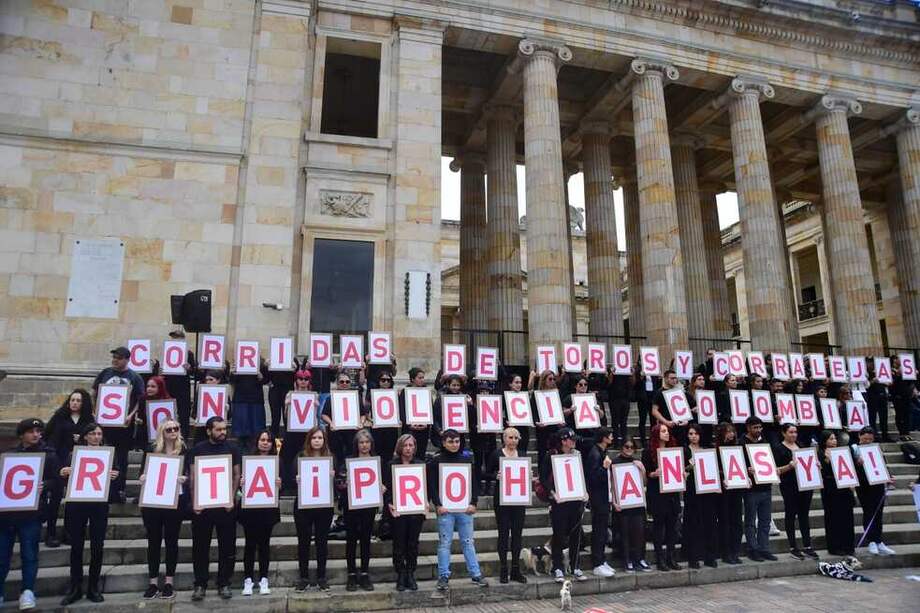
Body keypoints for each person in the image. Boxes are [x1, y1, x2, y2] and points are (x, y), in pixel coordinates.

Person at [0, 418, 59, 611]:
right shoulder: (9, 455)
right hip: (7, 515)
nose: (36, 435)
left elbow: (56, 480)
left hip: (31, 514)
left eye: (38, 431)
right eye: (31, 431)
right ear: (22, 434)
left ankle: (27, 591)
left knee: (29, 554)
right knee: (2, 556)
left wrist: (46, 485)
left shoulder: (48, 455)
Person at [60, 423, 118, 605]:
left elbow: (116, 481)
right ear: (85, 436)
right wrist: (64, 472)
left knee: (97, 546)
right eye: (92, 433)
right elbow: (65, 481)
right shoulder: (73, 454)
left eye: (99, 434)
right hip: (77, 504)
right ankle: (75, 586)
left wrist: (115, 476)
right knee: (76, 546)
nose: (96, 437)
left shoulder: (109, 455)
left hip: (99, 505)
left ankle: (93, 586)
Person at [188, 416, 241, 601]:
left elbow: (236, 475)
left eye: (224, 429)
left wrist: (232, 499)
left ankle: (224, 582)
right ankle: (200, 584)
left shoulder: (232, 448)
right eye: (218, 429)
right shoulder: (197, 449)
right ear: (209, 430)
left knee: (227, 546)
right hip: (203, 507)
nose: (223, 433)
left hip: (225, 506)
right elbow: (193, 477)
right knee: (200, 547)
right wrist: (195, 501)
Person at [429, 429, 488, 591]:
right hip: (445, 509)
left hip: (464, 508)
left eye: (456, 441)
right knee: (444, 543)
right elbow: (432, 485)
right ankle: (443, 575)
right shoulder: (436, 460)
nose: (454, 444)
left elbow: (474, 482)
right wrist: (438, 504)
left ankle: (475, 573)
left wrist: (474, 502)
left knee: (468, 542)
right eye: (450, 441)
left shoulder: (467, 459)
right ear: (443, 442)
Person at [139, 418, 189, 599]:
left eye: (176, 428)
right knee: (153, 541)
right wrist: (143, 477)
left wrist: (185, 479)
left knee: (171, 540)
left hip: (175, 500)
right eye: (169, 429)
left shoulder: (184, 450)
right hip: (153, 501)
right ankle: (152, 582)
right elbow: (141, 473)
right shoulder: (151, 450)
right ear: (162, 432)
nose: (173, 431)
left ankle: (169, 581)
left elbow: (189, 473)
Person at [92, 346, 145, 503]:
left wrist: (131, 415)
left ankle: (119, 490)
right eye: (114, 357)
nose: (114, 360)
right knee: (103, 454)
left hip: (124, 427)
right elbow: (94, 393)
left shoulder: (135, 377)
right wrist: (95, 411)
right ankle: (101, 488)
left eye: (118, 357)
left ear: (127, 360)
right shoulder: (105, 373)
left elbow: (139, 400)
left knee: (121, 458)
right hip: (104, 425)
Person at [43, 389, 94, 548]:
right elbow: (47, 435)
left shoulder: (87, 419)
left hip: (78, 463)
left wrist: (81, 439)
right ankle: (50, 533)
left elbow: (95, 436)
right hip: (57, 461)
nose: (75, 403)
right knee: (56, 498)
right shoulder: (59, 416)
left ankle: (68, 532)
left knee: (72, 501)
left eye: (78, 401)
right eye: (72, 400)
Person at [539, 427, 587, 582]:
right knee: (559, 534)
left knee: (576, 534)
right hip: (559, 501)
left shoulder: (577, 454)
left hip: (575, 499)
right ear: (563, 441)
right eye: (571, 439)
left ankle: (575, 566)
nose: (573, 442)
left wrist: (584, 492)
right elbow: (544, 478)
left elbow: (581, 475)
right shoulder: (551, 455)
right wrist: (553, 494)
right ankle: (558, 567)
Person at [238, 429, 281, 596]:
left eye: (268, 440)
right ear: (257, 441)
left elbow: (282, 487)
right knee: (249, 545)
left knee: (264, 545)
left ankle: (264, 578)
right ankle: (248, 579)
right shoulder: (248, 460)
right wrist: (241, 483)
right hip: (250, 510)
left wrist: (279, 484)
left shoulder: (277, 461)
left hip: (268, 510)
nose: (265, 443)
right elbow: (240, 487)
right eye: (262, 439)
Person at [293, 426, 335, 592]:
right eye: (314, 438)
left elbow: (339, 482)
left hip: (324, 506)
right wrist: (296, 479)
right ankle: (303, 577)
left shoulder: (331, 458)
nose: (317, 440)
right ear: (309, 440)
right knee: (303, 541)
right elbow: (290, 478)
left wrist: (333, 477)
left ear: (324, 440)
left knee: (321, 541)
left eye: (320, 438)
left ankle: (321, 576)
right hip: (304, 506)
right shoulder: (301, 457)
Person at [486, 427, 528, 584]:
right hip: (502, 500)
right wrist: (495, 475)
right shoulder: (496, 454)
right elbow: (485, 472)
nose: (513, 441)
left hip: (519, 499)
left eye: (516, 438)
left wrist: (528, 476)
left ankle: (516, 569)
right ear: (504, 439)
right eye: (510, 438)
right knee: (503, 534)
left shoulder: (523, 455)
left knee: (517, 534)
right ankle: (504, 568)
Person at [384, 433, 426, 591]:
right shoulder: (391, 465)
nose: (408, 448)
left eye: (411, 445)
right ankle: (401, 573)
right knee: (399, 544)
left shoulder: (421, 464)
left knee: (413, 544)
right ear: (400, 447)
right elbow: (387, 489)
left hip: (415, 511)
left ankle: (410, 572)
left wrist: (426, 504)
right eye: (405, 445)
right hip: (398, 512)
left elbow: (424, 488)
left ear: (415, 447)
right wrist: (389, 504)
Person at [772, 423, 817, 560]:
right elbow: (776, 470)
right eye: (791, 432)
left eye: (795, 432)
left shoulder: (801, 445)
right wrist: (789, 466)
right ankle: (793, 547)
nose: (794, 434)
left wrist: (816, 464)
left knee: (804, 515)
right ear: (784, 433)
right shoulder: (778, 448)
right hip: (789, 485)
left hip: (804, 485)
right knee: (790, 514)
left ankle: (807, 545)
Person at [340, 429, 378, 591]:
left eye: (367, 442)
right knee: (351, 539)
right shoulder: (349, 460)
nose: (364, 445)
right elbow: (339, 482)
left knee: (365, 540)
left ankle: (364, 573)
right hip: (351, 507)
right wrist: (343, 484)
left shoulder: (376, 461)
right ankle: (351, 574)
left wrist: (382, 487)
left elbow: (382, 482)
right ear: (356, 444)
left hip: (369, 507)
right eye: (361, 442)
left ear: (371, 444)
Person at [642, 423, 682, 572]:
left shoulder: (673, 449)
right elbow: (646, 474)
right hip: (657, 493)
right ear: (656, 433)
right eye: (663, 431)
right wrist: (653, 474)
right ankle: (660, 559)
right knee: (659, 527)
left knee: (673, 526)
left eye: (667, 431)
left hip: (672, 492)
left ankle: (671, 557)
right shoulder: (648, 452)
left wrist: (681, 474)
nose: (666, 433)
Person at [853, 427, 895, 556]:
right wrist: (857, 463)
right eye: (865, 439)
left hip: (877, 483)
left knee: (878, 512)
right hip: (864, 485)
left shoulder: (876, 448)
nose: (867, 441)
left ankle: (878, 540)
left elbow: (883, 464)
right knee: (869, 511)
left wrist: (888, 476)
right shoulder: (853, 449)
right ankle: (871, 540)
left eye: (870, 439)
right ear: (859, 436)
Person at [611, 437, 651, 572]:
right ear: (622, 447)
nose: (629, 449)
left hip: (637, 502)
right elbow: (611, 484)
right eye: (626, 447)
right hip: (623, 503)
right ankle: (627, 560)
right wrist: (614, 501)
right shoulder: (614, 462)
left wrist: (643, 470)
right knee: (625, 533)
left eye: (632, 447)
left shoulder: (637, 462)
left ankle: (639, 558)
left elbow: (644, 482)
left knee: (639, 532)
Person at [683, 423, 719, 568]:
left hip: (707, 491)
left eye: (695, 434)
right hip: (692, 492)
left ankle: (710, 556)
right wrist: (688, 467)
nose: (693, 436)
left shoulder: (707, 449)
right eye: (691, 434)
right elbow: (681, 471)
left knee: (709, 523)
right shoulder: (685, 451)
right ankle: (693, 557)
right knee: (694, 525)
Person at [740, 416, 776, 561]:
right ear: (748, 428)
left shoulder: (765, 441)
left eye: (760, 427)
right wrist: (745, 469)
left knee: (765, 520)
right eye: (755, 427)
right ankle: (752, 548)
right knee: (750, 521)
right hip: (751, 489)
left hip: (766, 486)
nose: (758, 430)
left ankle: (764, 548)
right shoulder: (741, 443)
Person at [818, 430, 855, 556]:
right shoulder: (820, 453)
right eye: (830, 439)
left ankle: (848, 545)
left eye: (834, 439)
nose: (833, 441)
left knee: (847, 516)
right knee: (833, 517)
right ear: (824, 441)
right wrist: (826, 461)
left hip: (844, 486)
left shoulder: (842, 452)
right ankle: (835, 546)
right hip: (830, 487)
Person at [585, 427, 616, 578]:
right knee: (598, 530)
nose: (612, 437)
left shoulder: (601, 452)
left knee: (603, 530)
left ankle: (602, 560)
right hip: (598, 499)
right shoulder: (595, 453)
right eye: (610, 435)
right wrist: (604, 468)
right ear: (603, 437)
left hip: (604, 497)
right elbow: (593, 477)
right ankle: (597, 563)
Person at [281, 368, 315, 494]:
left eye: (306, 379)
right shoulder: (290, 394)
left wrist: (315, 405)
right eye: (300, 379)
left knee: (306, 456)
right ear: (296, 381)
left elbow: (315, 417)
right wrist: (286, 404)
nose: (303, 381)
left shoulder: (314, 395)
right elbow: (285, 416)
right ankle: (288, 484)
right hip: (292, 430)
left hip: (307, 432)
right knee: (288, 456)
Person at [714, 422, 743, 565]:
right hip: (724, 490)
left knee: (737, 522)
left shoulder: (738, 448)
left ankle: (735, 551)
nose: (731, 434)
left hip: (736, 489)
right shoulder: (716, 449)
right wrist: (722, 476)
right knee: (725, 522)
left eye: (733, 431)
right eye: (728, 431)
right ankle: (726, 552)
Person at [229, 357, 268, 451]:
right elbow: (232, 380)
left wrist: (261, 376)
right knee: (241, 428)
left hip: (256, 399)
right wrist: (232, 373)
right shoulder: (238, 361)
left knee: (256, 428)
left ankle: (255, 449)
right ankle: (240, 451)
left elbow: (266, 380)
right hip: (240, 398)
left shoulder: (261, 363)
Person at [531, 370, 562, 466]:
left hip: (554, 426)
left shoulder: (556, 393)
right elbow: (533, 411)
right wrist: (536, 422)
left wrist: (561, 420)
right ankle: (542, 476)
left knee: (555, 452)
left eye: (554, 379)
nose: (552, 381)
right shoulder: (536, 394)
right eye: (550, 379)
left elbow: (559, 409)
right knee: (542, 453)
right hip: (542, 428)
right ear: (543, 380)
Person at [399, 368, 431, 459]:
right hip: (410, 429)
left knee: (421, 452)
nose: (422, 380)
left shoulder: (426, 391)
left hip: (423, 428)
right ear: (412, 379)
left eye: (423, 378)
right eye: (419, 378)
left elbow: (429, 409)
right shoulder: (405, 392)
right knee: (408, 452)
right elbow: (402, 410)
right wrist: (408, 424)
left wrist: (427, 423)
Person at [504, 373, 530, 453]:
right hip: (510, 429)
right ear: (510, 384)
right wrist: (505, 421)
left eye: (520, 382)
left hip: (523, 429)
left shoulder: (524, 397)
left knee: (522, 453)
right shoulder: (504, 397)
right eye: (516, 382)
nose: (519, 385)